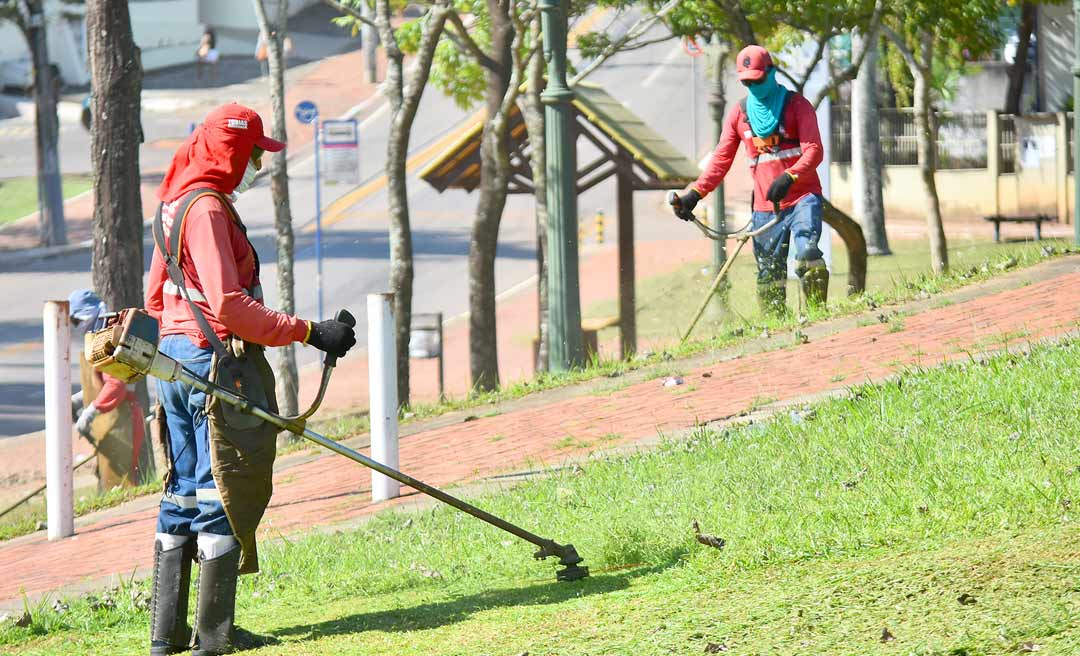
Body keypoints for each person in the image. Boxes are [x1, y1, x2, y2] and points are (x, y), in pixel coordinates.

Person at [144, 103, 356, 656]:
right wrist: (310, 331)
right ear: (234, 153)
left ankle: (164, 641)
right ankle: (214, 638)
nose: (258, 163)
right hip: (211, 365)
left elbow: (153, 299)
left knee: (182, 493)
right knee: (221, 493)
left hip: (172, 361)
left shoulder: (173, 202)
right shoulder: (209, 209)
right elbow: (230, 306)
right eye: (255, 153)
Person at [670, 44, 828, 314]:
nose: (753, 86)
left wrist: (790, 176)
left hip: (802, 198)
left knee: (808, 255)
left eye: (758, 79)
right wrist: (694, 194)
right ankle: (777, 327)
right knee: (769, 277)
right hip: (765, 210)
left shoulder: (797, 106)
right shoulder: (739, 115)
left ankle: (818, 317)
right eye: (747, 82)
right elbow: (720, 159)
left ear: (771, 72)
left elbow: (814, 150)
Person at [69, 289, 146, 491]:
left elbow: (116, 384)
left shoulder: (109, 335)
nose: (76, 327)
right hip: (113, 417)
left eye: (77, 321)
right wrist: (79, 400)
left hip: (124, 418)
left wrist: (91, 411)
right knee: (109, 476)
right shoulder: (97, 335)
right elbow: (103, 381)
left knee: (124, 480)